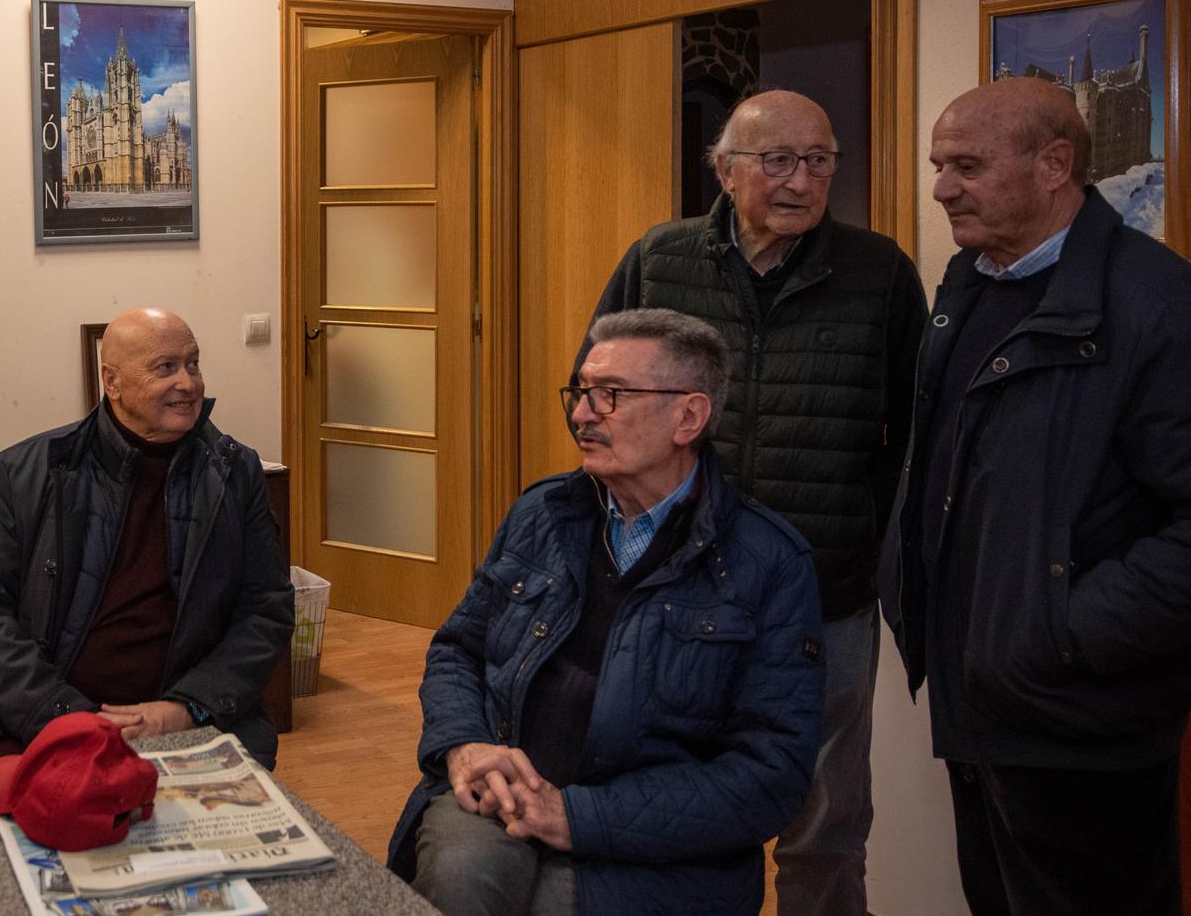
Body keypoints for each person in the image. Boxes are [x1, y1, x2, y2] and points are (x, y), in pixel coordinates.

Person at [584, 88, 923, 916]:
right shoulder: (660, 260)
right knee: (676, 794)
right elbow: (601, 396)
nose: (803, 180)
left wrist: (869, 536)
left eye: (821, 160)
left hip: (827, 590)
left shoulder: (879, 273)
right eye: (778, 161)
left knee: (827, 816)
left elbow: (915, 433)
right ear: (727, 171)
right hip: (678, 583)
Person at [391, 308, 824, 916]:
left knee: (553, 905)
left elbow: (770, 774)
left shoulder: (769, 562)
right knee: (465, 881)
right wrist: (464, 744)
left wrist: (580, 816)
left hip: (656, 844)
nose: (581, 414)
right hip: (504, 793)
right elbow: (459, 648)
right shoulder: (544, 513)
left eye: (610, 395)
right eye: (581, 392)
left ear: (689, 417)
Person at [880, 77, 1191, 916]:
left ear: (1056, 164)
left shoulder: (1155, 303)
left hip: (1079, 721)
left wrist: (1061, 627)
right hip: (982, 702)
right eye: (941, 165)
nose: (942, 186)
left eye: (968, 166)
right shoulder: (971, 285)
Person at [0, 307, 291, 774]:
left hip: (185, 719)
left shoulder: (234, 474)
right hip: (45, 718)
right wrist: (70, 718)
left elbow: (265, 611)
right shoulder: (33, 473)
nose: (188, 384)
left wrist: (186, 709)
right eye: (165, 368)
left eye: (193, 364)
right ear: (112, 382)